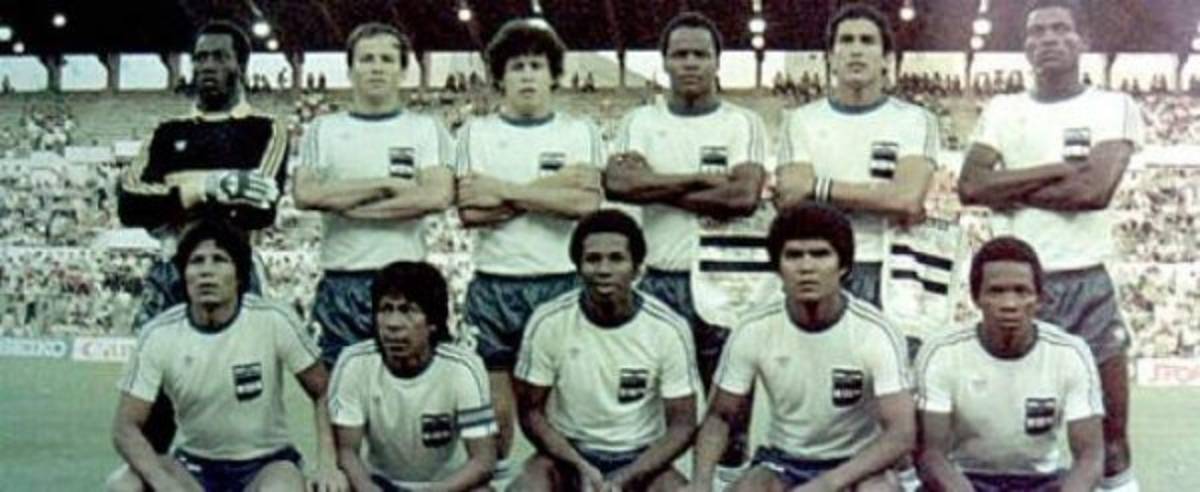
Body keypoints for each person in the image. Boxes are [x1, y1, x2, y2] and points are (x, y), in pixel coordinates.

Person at [957, 2, 1143, 489]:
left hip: (1087, 286)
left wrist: (1008, 186)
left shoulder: (1114, 106)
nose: (1048, 39)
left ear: (1083, 40)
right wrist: (1058, 169)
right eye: (1037, 31)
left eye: (1061, 29)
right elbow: (971, 186)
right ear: (1025, 46)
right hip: (1016, 291)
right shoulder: (1003, 110)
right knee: (1008, 440)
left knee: (1111, 440)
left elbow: (1093, 192)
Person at [115, 19, 288, 460]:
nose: (207, 65)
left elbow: (259, 207)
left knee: (238, 401)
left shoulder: (266, 129)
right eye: (200, 57)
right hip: (170, 275)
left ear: (241, 66)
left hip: (237, 276)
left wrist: (175, 194)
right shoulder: (167, 131)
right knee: (155, 402)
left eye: (219, 57)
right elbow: (129, 204)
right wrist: (210, 187)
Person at [454, 18, 605, 472]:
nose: (527, 75)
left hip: (560, 284)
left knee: (563, 415)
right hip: (494, 285)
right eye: (516, 66)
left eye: (536, 66)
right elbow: (470, 211)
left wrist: (502, 190)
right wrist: (552, 191)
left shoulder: (580, 132)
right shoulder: (475, 133)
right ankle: (497, 479)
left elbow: (586, 205)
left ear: (553, 75)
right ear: (500, 76)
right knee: (494, 418)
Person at [688, 203, 914, 492]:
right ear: (778, 268)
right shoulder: (753, 328)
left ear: (843, 266)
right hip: (783, 461)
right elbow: (719, 417)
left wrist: (826, 484)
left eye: (820, 254)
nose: (807, 267)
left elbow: (901, 433)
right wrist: (700, 483)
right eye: (794, 255)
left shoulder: (876, 332)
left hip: (856, 462)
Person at [107, 219, 344, 492]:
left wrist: (328, 463)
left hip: (267, 464)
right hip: (193, 467)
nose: (206, 271)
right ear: (184, 275)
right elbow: (125, 427)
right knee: (123, 485)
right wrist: (164, 483)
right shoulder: (158, 334)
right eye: (196, 262)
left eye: (219, 260)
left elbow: (323, 390)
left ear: (239, 275)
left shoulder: (273, 319)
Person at [293, 22, 454, 367]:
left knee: (413, 386)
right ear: (350, 69)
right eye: (366, 59)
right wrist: (385, 185)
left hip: (406, 283)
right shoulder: (323, 129)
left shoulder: (426, 129)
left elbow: (437, 196)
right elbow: (305, 194)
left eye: (386, 59)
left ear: (403, 70)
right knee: (339, 385)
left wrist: (346, 205)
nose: (376, 67)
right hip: (342, 280)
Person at [509, 210, 699, 492]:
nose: (603, 269)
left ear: (637, 268)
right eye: (592, 259)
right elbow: (531, 412)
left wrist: (628, 476)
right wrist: (579, 466)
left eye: (616, 258)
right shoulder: (548, 322)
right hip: (568, 454)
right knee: (527, 486)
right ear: (578, 268)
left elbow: (682, 425)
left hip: (642, 458)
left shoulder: (668, 328)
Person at [775, 3, 938, 310]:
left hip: (888, 267)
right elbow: (790, 197)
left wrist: (817, 188)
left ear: (886, 59)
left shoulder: (916, 120)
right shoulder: (800, 120)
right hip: (821, 268)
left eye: (867, 41)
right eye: (846, 41)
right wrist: (879, 197)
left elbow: (906, 200)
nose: (856, 50)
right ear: (831, 58)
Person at [915, 236, 1104, 491]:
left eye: (1021, 291)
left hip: (1042, 481)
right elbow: (931, 455)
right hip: (966, 479)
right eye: (996, 291)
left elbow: (1090, 456)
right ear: (975, 297)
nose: (1009, 304)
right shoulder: (942, 353)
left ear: (1039, 298)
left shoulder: (1070, 353)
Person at [329, 261, 497, 492]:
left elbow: (483, 461)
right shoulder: (354, 363)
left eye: (407, 310)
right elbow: (347, 452)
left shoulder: (463, 368)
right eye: (386, 309)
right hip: (379, 483)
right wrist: (367, 488)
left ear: (433, 322)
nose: (393, 324)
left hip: (447, 486)